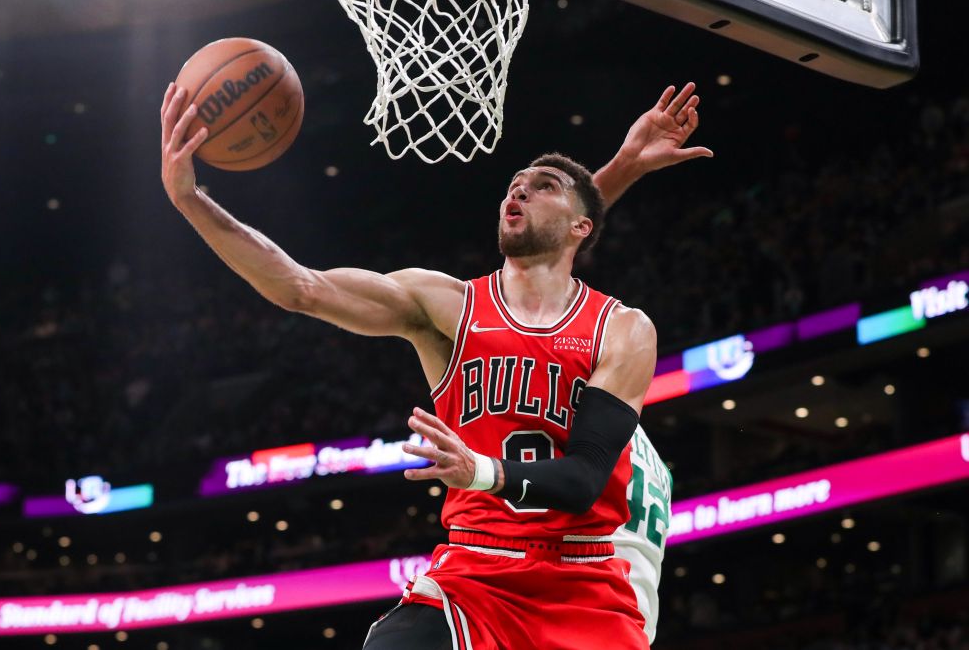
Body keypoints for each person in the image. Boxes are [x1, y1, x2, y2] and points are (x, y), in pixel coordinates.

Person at [160, 82, 710, 649]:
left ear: (582, 227)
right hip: (475, 571)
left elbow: (583, 480)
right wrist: (190, 200)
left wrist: (478, 469)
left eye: (539, 186)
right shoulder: (446, 306)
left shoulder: (622, 329)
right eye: (513, 186)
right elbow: (302, 286)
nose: (516, 193)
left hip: (582, 582)